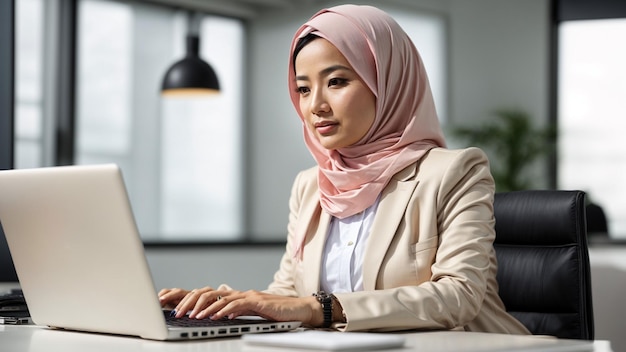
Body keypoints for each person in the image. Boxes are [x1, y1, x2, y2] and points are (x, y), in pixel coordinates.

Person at [158, 4, 530, 334]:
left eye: (336, 81)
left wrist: (321, 308)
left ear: (386, 83)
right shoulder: (310, 185)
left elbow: (457, 297)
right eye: (303, 89)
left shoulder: (454, 172)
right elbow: (288, 295)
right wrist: (223, 307)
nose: (315, 105)